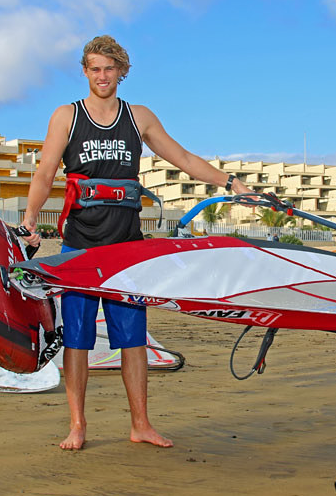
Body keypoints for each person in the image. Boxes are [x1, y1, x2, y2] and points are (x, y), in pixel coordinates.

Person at [21, 35, 251, 451]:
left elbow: (183, 159)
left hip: (127, 244)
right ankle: (77, 425)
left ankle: (141, 424)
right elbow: (45, 173)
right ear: (85, 71)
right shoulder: (66, 116)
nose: (102, 76)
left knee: (133, 337)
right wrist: (31, 219)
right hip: (80, 243)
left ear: (121, 72)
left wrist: (230, 182)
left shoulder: (138, 117)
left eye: (109, 68)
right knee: (76, 337)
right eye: (94, 68)